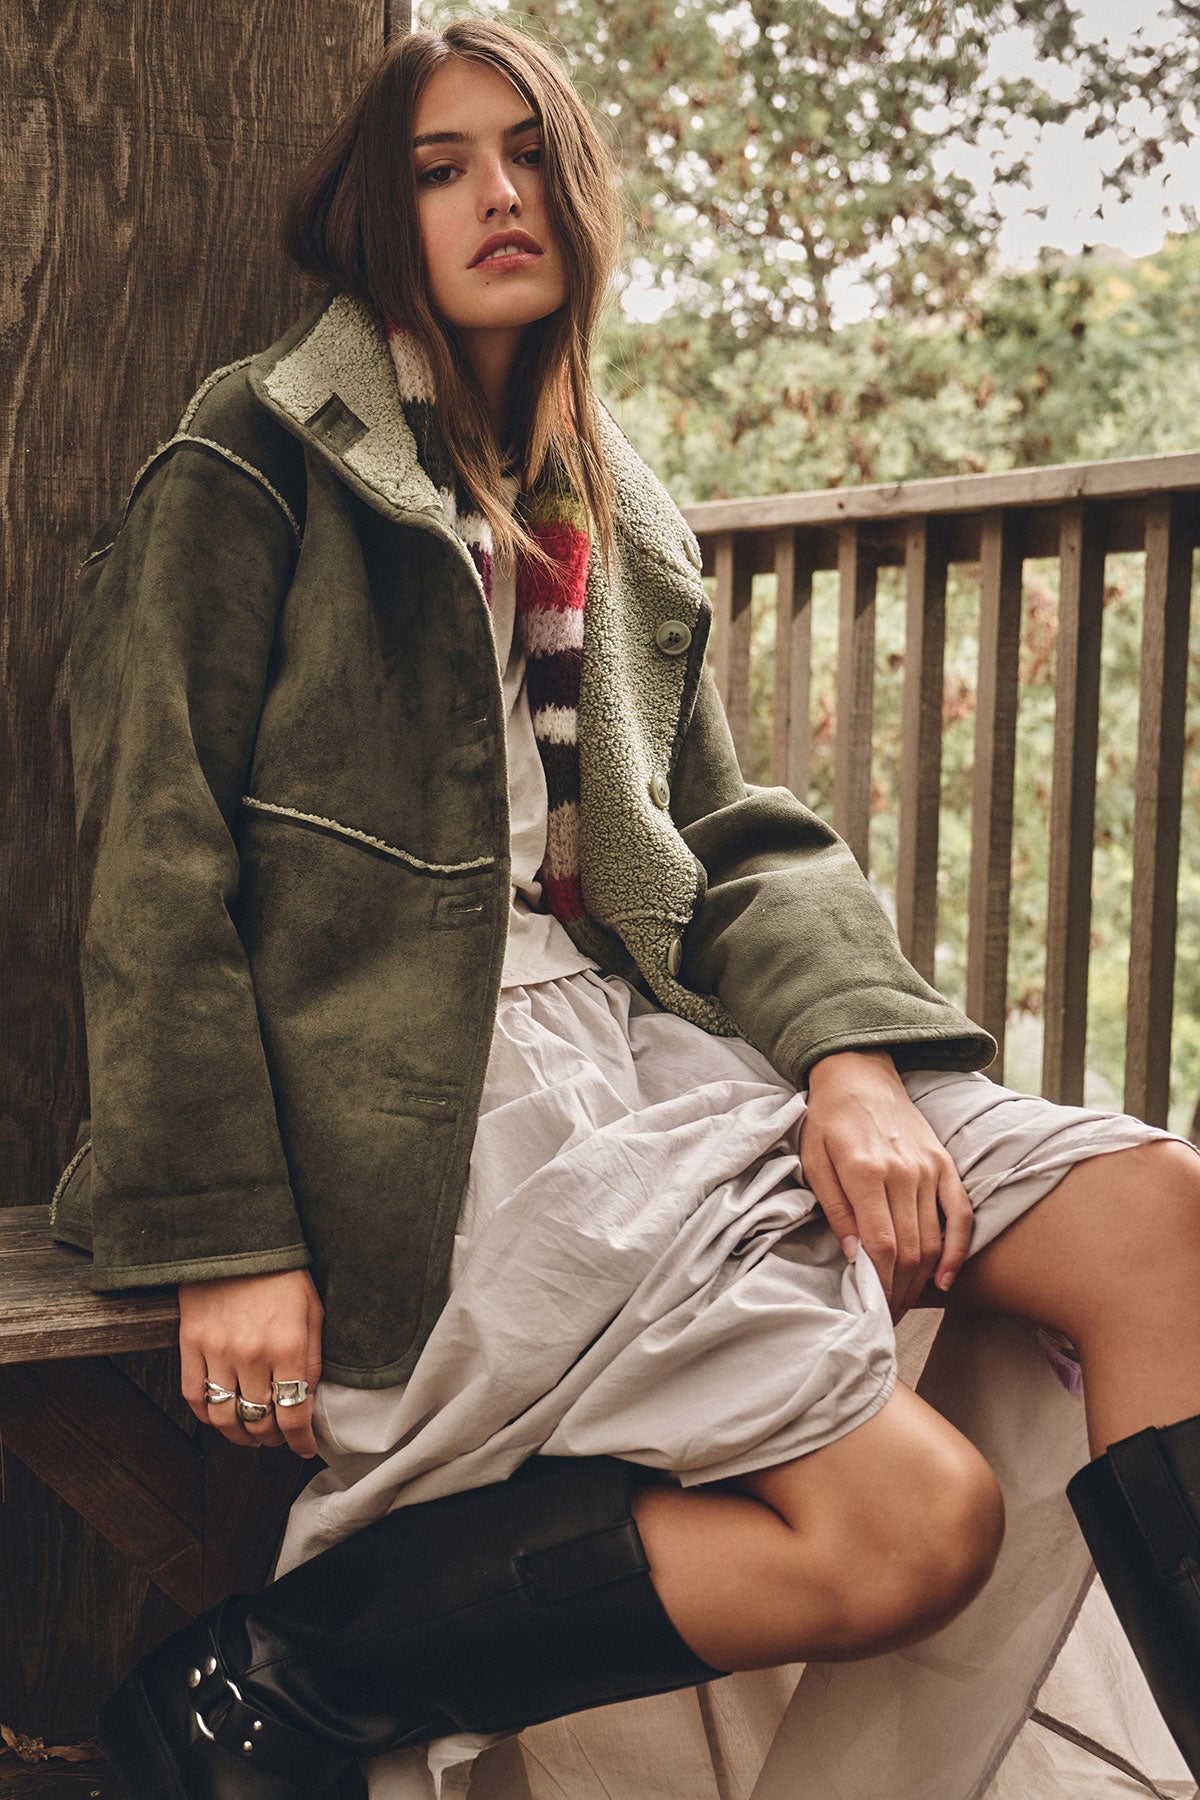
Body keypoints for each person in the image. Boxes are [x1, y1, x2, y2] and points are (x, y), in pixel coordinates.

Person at [53, 17, 1200, 1800]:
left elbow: (727, 834)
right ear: (380, 219)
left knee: (1155, 1217)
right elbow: (154, 855)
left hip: (661, 1044)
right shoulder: (258, 453)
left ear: (578, 198)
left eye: (525, 155)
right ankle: (275, 1686)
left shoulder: (620, 505)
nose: (495, 193)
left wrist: (852, 1059)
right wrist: (228, 1233)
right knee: (918, 1523)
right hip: (428, 1104)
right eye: (440, 168)